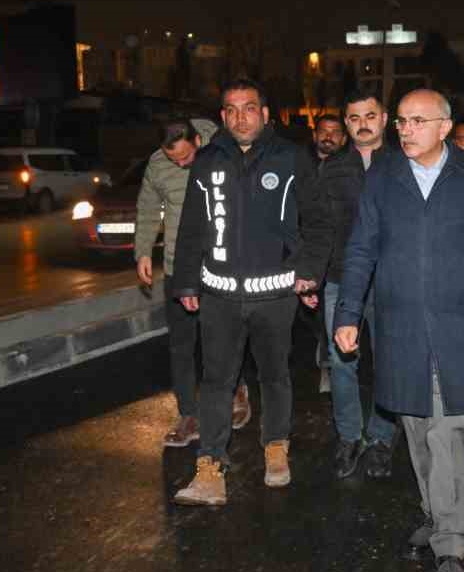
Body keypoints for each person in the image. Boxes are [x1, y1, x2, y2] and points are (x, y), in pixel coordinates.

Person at [335, 89, 464, 572]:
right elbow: (362, 246)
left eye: (417, 121)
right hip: (401, 326)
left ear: (444, 126)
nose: (406, 130)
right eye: (403, 122)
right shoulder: (384, 176)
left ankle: (451, 545)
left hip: (460, 326)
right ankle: (436, 516)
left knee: (447, 430)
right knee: (415, 425)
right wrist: (348, 313)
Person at [170, 79, 330, 506]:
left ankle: (276, 447)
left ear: (264, 113)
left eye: (249, 108)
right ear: (223, 116)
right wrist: (186, 281)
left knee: (275, 376)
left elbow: (317, 223)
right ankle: (209, 467)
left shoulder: (293, 158)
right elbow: (190, 228)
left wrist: (309, 272)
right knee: (217, 381)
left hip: (274, 296)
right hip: (218, 295)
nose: (241, 116)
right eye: (232, 109)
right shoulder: (206, 162)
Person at [135, 117, 255, 447]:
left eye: (186, 157)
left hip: (218, 264)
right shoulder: (159, 165)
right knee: (182, 344)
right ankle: (188, 414)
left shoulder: (225, 151)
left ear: (197, 142)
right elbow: (148, 207)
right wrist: (143, 251)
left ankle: (237, 390)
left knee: (224, 337)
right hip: (178, 265)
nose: (181, 164)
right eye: (174, 159)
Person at [311, 92, 404, 479]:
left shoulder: (405, 163)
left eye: (370, 115)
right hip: (340, 279)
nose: (362, 123)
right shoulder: (331, 169)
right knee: (341, 360)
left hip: (391, 280)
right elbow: (319, 227)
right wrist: (314, 275)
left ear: (384, 119)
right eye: (354, 118)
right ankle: (349, 436)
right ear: (346, 124)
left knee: (389, 360)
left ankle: (382, 439)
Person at [304, 113, 347, 393]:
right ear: (314, 134)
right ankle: (324, 362)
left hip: (337, 260)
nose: (328, 136)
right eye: (323, 131)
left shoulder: (349, 169)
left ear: (343, 139)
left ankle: (330, 366)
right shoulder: (300, 164)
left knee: (332, 318)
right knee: (313, 315)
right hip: (306, 254)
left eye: (334, 132)